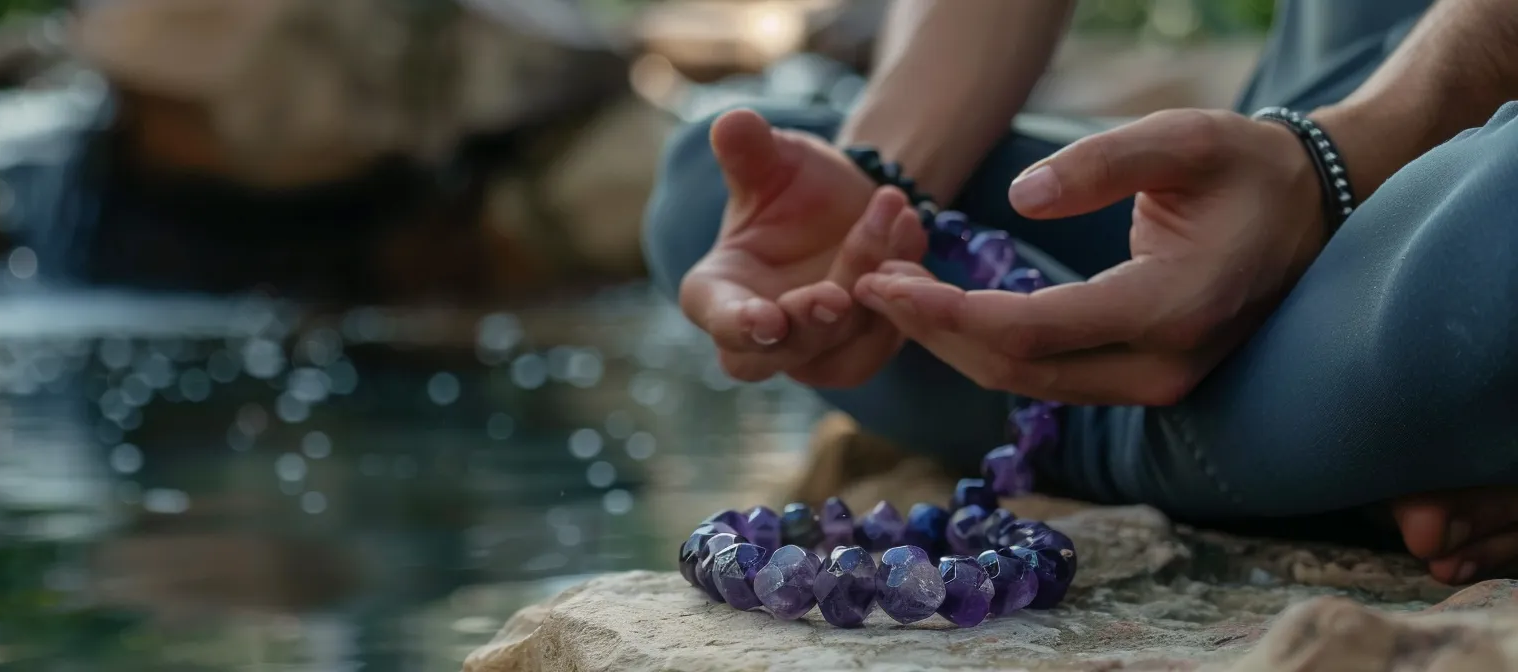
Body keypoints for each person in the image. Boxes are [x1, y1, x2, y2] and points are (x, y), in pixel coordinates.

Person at [644, 0, 1518, 585]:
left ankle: (1155, 418)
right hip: (1299, 183)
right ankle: (1331, 430)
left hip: (1449, 193)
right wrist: (878, 190)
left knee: (1480, 277)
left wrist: (1333, 166)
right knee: (701, 187)